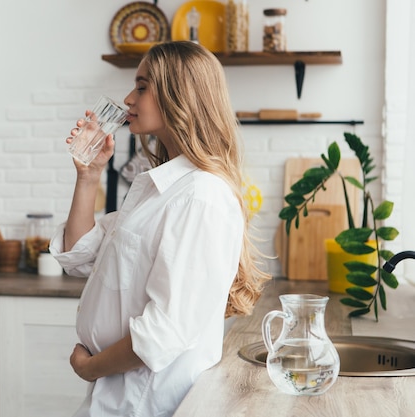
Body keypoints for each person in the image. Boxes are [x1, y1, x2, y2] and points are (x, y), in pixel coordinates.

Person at [49, 41, 271, 417]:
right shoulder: (160, 189)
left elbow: (163, 332)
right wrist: (88, 177)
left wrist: (90, 367)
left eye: (141, 86)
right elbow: (80, 255)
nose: (128, 98)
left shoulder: (200, 197)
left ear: (178, 95)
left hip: (147, 402)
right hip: (119, 395)